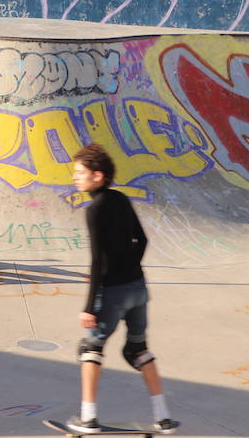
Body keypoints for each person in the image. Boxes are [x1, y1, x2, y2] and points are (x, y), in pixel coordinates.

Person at [64, 143, 179, 435]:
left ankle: (88, 418)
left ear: (98, 176)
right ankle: (163, 417)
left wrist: (89, 306)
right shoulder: (122, 199)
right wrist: (131, 269)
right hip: (138, 288)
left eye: (80, 173)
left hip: (113, 291)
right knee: (139, 350)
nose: (75, 178)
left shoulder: (95, 210)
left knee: (91, 348)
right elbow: (142, 240)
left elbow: (97, 260)